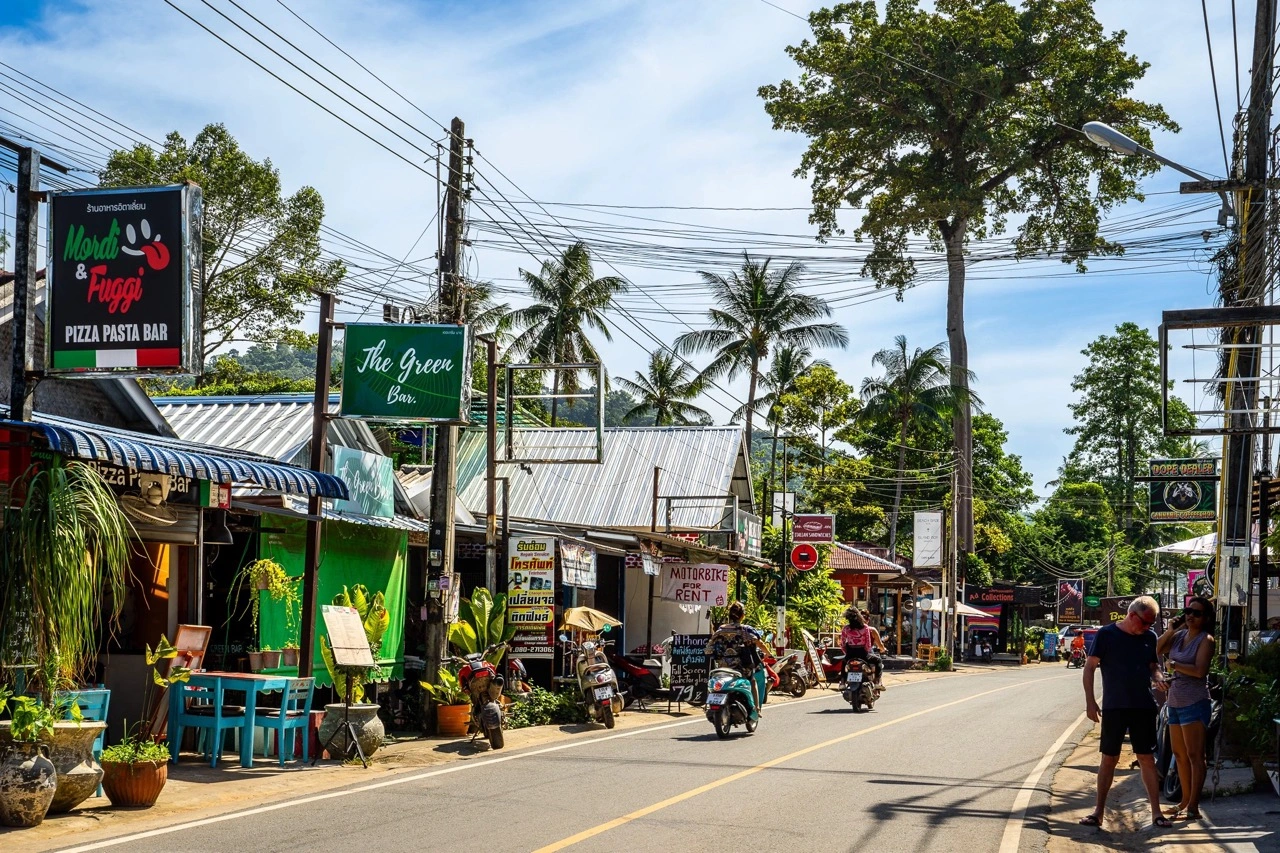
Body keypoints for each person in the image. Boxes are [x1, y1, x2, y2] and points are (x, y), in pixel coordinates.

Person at [1079, 596, 1170, 830]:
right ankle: (1098, 812)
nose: (1149, 628)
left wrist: (1158, 677)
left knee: (1147, 759)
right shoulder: (1107, 634)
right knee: (1109, 758)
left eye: (1152, 624)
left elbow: (1153, 666)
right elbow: (1090, 667)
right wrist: (1090, 702)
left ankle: (1157, 813)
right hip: (1114, 706)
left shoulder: (1150, 637)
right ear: (1131, 616)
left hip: (1143, 706)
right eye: (1146, 622)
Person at [1156, 595, 1216, 821]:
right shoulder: (1180, 635)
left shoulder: (1206, 640)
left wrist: (1174, 665)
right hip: (1175, 702)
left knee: (1195, 756)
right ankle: (1183, 801)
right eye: (1188, 611)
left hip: (1195, 702)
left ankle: (1193, 806)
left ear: (1205, 617)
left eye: (1196, 613)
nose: (1190, 616)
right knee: (1179, 754)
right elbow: (1158, 649)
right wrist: (1171, 628)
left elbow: (1200, 671)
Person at [706, 601, 770, 713]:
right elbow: (760, 643)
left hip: (723, 666)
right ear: (742, 616)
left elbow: (708, 648)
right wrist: (768, 653)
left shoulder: (721, 630)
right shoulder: (745, 630)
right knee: (753, 681)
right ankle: (756, 709)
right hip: (741, 667)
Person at [839, 608, 884, 692]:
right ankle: (877, 682)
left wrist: (847, 653)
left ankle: (842, 683)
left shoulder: (846, 628)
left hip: (850, 654)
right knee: (878, 660)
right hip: (863, 654)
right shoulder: (865, 628)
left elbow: (842, 644)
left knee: (844, 662)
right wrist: (865, 653)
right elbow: (868, 644)